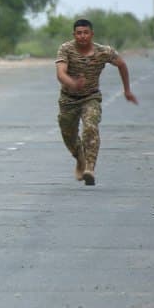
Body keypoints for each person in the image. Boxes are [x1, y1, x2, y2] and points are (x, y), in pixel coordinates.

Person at [55, 18, 137, 185]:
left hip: (90, 97)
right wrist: (72, 83)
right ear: (74, 35)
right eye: (79, 33)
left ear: (92, 34)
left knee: (91, 127)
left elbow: (122, 64)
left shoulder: (103, 51)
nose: (82, 36)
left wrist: (127, 90)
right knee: (68, 135)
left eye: (86, 33)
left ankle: (90, 168)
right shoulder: (66, 49)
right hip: (68, 99)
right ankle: (80, 158)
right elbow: (60, 73)